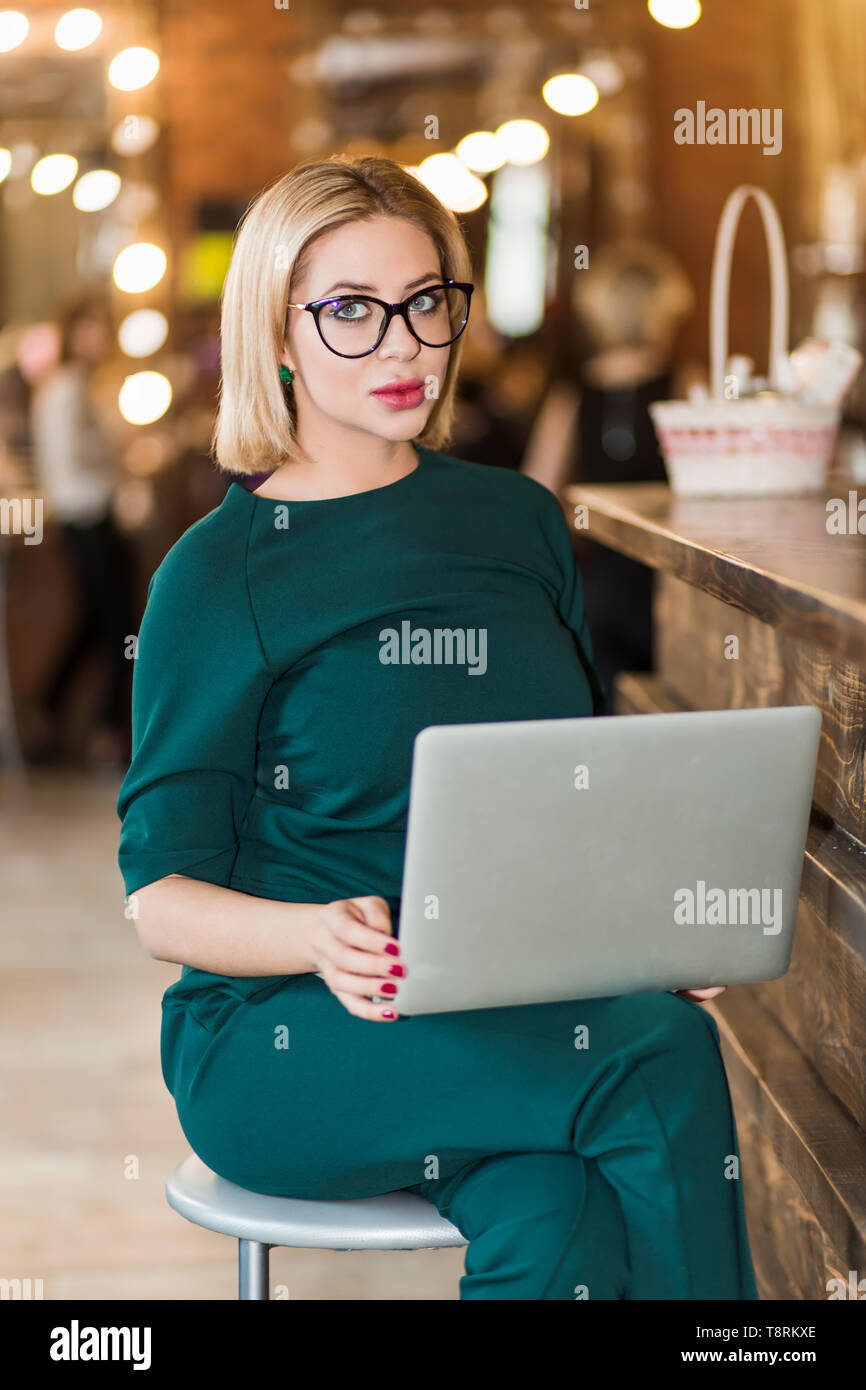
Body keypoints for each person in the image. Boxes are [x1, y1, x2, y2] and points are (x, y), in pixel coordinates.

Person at [116, 155, 757, 1301]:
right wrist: (317, 935)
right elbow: (159, 897)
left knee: (556, 1228)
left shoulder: (513, 518)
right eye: (351, 312)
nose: (404, 344)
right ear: (275, 331)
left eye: (425, 301)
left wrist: (648, 932)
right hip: (285, 1035)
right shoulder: (216, 577)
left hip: (494, 1010)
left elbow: (574, 786)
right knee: (654, 1060)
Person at [29, 296, 134, 767]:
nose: (99, 337)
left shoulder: (81, 386)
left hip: (91, 514)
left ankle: (47, 711)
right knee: (117, 623)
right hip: (86, 516)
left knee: (97, 622)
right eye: (91, 327)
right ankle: (108, 732)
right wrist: (119, 455)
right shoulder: (67, 387)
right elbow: (68, 458)